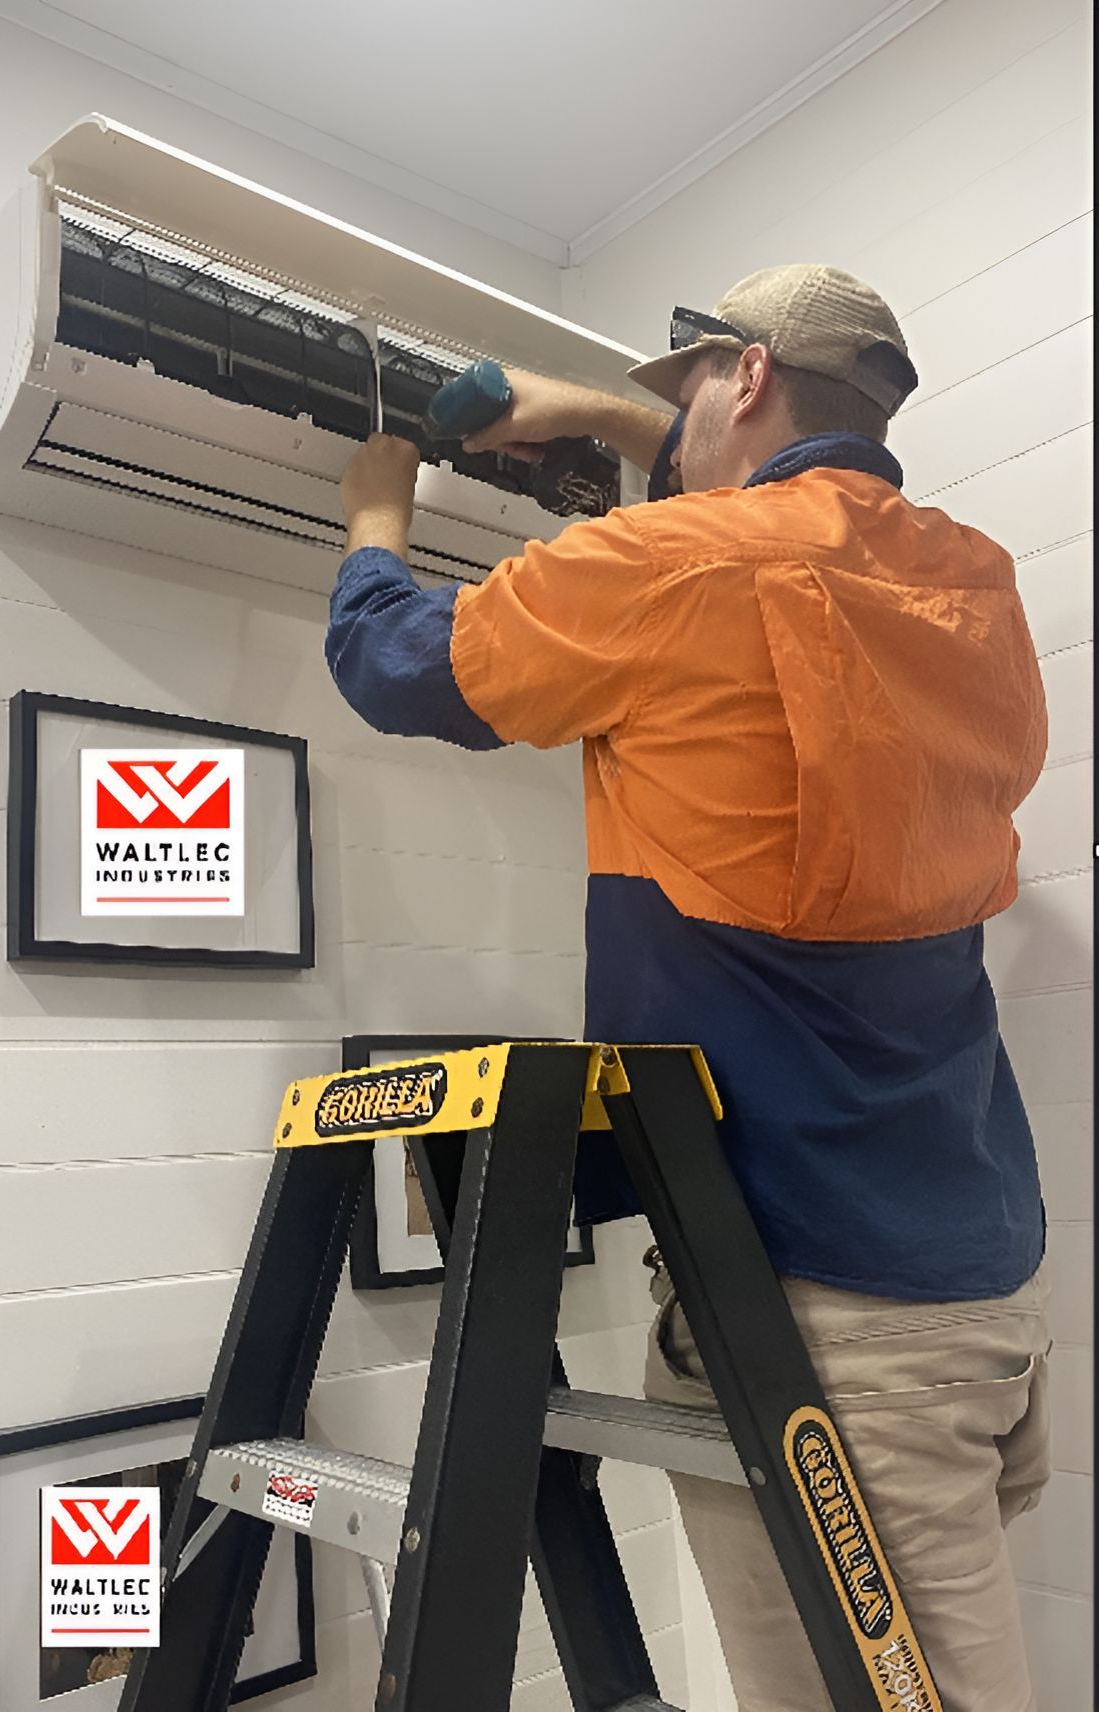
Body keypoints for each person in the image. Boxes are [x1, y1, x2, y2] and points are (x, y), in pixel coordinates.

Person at [324, 265, 1050, 1712]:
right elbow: (779, 527)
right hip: (981, 1301)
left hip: (818, 1330)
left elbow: (393, 664)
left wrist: (375, 505)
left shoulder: (678, 571)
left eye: (683, 396)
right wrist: (601, 412)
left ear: (745, 376)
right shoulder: (967, 585)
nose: (664, 439)